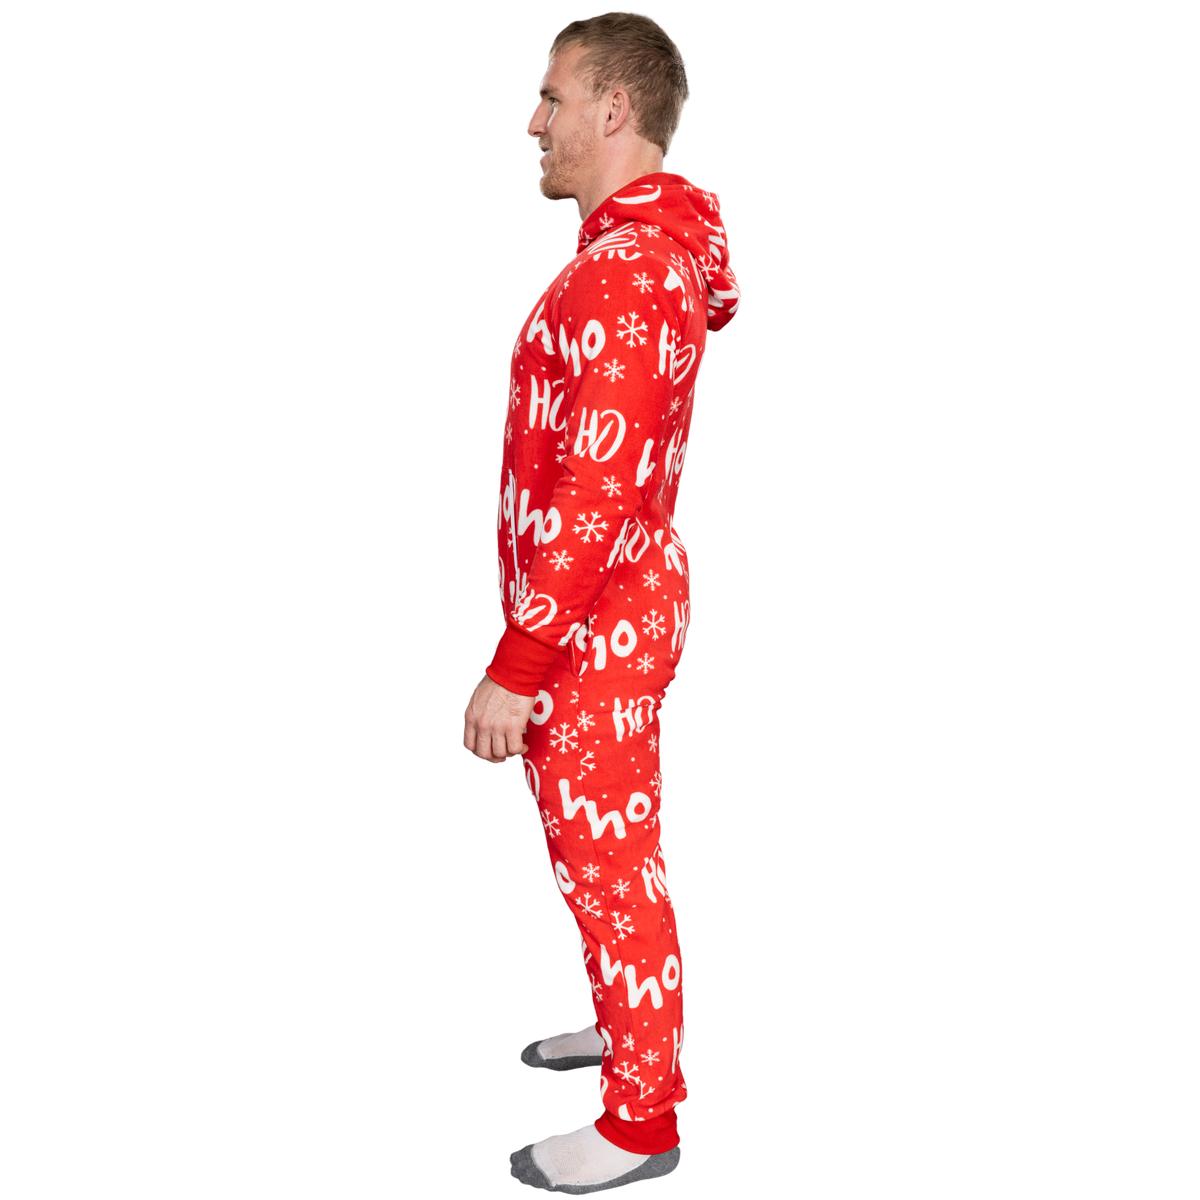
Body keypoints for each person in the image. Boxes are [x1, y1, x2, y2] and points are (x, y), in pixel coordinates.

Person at [461, 13, 740, 1193]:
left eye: (554, 97)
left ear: (614, 109)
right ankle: (629, 1027)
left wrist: (517, 664)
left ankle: (641, 1118)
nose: (535, 122)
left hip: (596, 617)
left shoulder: (628, 270)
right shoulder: (635, 257)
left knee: (612, 862)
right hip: (602, 606)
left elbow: (597, 487)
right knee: (597, 854)